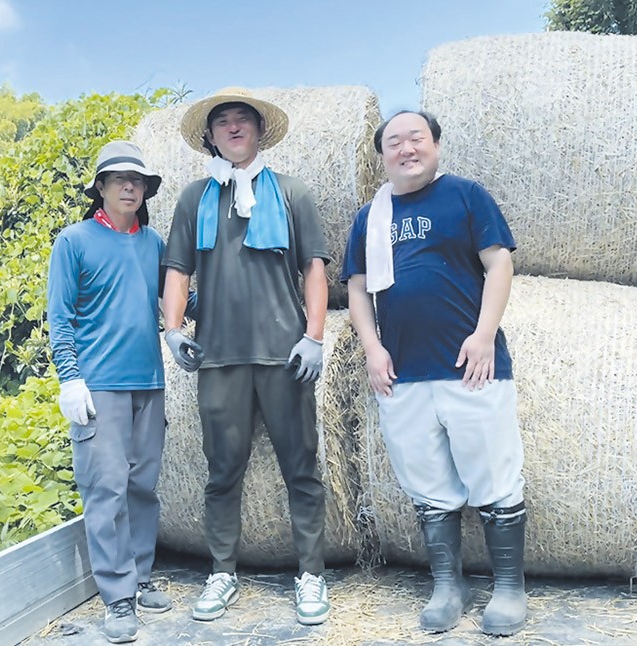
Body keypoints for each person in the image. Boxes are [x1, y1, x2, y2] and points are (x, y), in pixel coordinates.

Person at [340, 110, 528, 636]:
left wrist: (485, 334)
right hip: (400, 374)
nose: (406, 149)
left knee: (493, 475)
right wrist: (373, 350)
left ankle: (509, 589)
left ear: (436, 145)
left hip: (471, 365)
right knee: (428, 485)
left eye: (415, 138)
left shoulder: (466, 196)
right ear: (382, 156)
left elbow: (499, 264)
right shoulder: (370, 217)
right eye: (394, 142)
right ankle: (449, 585)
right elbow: (357, 289)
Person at [161, 87, 332, 626]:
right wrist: (171, 329)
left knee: (300, 468)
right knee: (222, 472)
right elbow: (178, 270)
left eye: (243, 120)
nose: (234, 128)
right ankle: (222, 572)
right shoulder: (195, 198)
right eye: (223, 123)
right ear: (210, 137)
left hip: (285, 356)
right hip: (218, 357)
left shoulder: (292, 193)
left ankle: (310, 573)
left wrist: (315, 335)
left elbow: (315, 270)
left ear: (259, 131)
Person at [46, 140, 171, 644]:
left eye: (136, 180)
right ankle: (117, 596)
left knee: (142, 486)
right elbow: (60, 316)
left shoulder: (154, 243)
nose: (128, 186)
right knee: (106, 490)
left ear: (145, 190)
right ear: (99, 187)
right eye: (117, 179)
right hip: (99, 386)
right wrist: (69, 377)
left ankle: (140, 577)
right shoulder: (73, 242)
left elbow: (174, 303)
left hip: (150, 382)